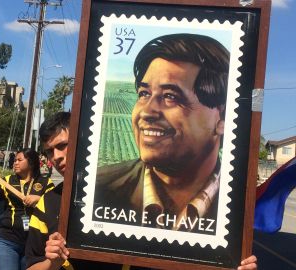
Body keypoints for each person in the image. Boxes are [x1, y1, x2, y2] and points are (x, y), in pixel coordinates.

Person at [25, 112, 257, 269]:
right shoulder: (47, 204)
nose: (55, 157)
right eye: (48, 152)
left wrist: (229, 263)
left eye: (62, 146)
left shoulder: (122, 194)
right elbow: (32, 266)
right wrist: (51, 263)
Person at [95, 33, 230, 233]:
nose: (147, 112)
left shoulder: (236, 207)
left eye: (170, 96)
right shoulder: (100, 189)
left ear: (222, 117)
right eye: (144, 94)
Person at [0, 148, 54, 270]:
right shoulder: (7, 181)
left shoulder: (45, 183)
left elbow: (54, 210)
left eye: (19, 160)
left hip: (34, 244)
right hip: (8, 241)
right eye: (15, 160)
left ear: (31, 162)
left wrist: (39, 199)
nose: (15, 162)